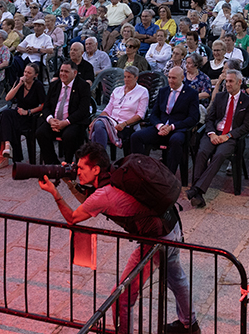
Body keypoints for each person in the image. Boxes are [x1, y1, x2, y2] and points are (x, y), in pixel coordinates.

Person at [38, 142, 198, 334]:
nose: (77, 171)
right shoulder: (118, 173)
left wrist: (55, 193)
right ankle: (190, 324)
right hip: (172, 226)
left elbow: (74, 217)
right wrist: (70, 182)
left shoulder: (104, 193)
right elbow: (92, 204)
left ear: (96, 169)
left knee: (123, 296)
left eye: (81, 168)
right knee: (177, 278)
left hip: (155, 242)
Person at [186, 68, 249, 208]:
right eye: (226, 81)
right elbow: (209, 119)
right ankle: (198, 192)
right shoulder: (220, 97)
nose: (228, 84)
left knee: (219, 155)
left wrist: (228, 136)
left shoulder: (247, 102)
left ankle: (196, 190)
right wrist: (212, 134)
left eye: (231, 81)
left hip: (230, 136)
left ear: (239, 82)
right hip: (214, 133)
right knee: (202, 152)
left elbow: (246, 126)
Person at [130, 66, 198, 176]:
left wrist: (172, 127)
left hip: (178, 129)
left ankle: (169, 175)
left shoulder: (191, 94)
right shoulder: (163, 91)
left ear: (182, 78)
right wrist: (160, 125)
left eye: (174, 78)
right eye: (169, 77)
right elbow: (153, 114)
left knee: (176, 141)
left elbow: (193, 118)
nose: (171, 80)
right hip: (160, 126)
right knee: (136, 137)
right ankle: (141, 169)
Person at [36, 59, 92, 165]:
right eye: (61, 71)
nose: (62, 74)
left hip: (73, 121)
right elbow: (46, 106)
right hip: (55, 121)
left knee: (69, 135)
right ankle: (53, 163)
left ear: (74, 73)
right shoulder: (55, 85)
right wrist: (51, 120)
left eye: (66, 71)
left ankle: (68, 163)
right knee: (41, 133)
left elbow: (83, 110)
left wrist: (65, 122)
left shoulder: (83, 86)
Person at [0, 61, 45, 168]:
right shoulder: (19, 82)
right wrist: (19, 84)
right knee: (5, 114)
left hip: (30, 117)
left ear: (35, 75)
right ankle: (7, 146)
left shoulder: (38, 86)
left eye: (29, 73)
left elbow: (44, 105)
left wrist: (28, 111)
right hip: (18, 113)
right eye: (25, 72)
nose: (26, 75)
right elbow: (8, 98)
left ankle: (3, 156)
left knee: (5, 122)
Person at [89, 66, 149, 155]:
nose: (126, 79)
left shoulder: (142, 92)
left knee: (96, 133)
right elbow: (107, 110)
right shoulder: (117, 90)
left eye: (129, 77)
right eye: (125, 77)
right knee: (98, 123)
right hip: (111, 122)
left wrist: (124, 123)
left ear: (136, 78)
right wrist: (96, 119)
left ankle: (100, 160)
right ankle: (101, 159)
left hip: (126, 125)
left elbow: (140, 115)